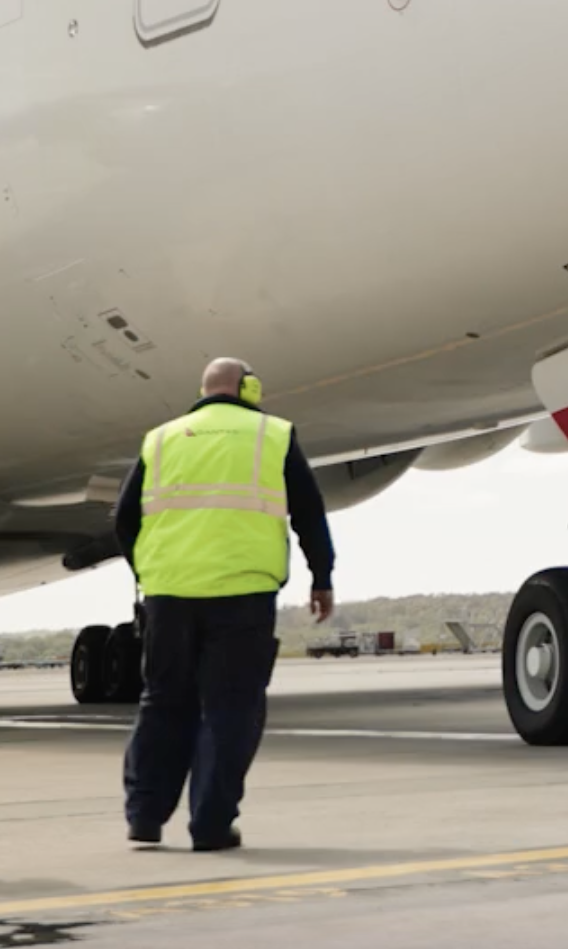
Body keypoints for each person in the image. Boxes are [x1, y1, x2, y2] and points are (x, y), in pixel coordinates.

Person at [112, 357, 337, 851]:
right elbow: (309, 513)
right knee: (230, 709)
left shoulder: (162, 438)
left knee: (162, 702)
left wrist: (150, 570)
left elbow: (124, 518)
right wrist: (322, 576)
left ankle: (145, 818)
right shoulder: (271, 434)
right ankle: (211, 825)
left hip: (169, 595)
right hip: (243, 593)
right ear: (249, 388)